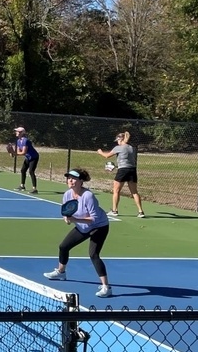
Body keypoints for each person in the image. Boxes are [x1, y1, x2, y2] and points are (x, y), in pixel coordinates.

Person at [44, 169, 112, 298]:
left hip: (99, 226)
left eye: (74, 178)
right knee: (63, 247)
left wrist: (75, 220)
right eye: (69, 178)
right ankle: (61, 272)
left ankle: (106, 287)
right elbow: (66, 211)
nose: (70, 180)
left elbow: (94, 218)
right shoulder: (67, 194)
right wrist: (67, 218)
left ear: (81, 181)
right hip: (83, 227)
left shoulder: (88, 196)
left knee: (93, 254)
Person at [97, 131, 146, 218]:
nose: (117, 142)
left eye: (118, 140)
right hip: (132, 170)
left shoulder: (118, 148)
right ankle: (141, 211)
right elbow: (127, 159)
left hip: (123, 170)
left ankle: (114, 210)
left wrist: (100, 152)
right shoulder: (131, 147)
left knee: (116, 191)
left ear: (121, 139)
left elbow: (107, 156)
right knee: (134, 192)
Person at [14, 127, 39, 194]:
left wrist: (15, 153)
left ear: (22, 133)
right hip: (28, 157)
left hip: (34, 157)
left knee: (31, 171)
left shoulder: (26, 141)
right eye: (16, 131)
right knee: (23, 170)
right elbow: (19, 151)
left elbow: (23, 152)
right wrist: (13, 153)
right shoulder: (18, 141)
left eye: (18, 131)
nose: (16, 132)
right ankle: (22, 186)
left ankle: (34, 189)